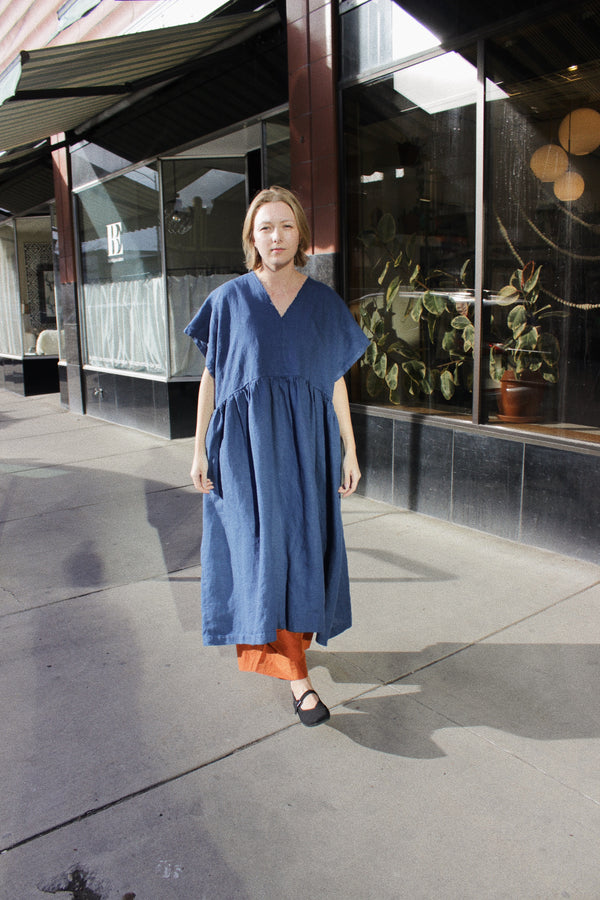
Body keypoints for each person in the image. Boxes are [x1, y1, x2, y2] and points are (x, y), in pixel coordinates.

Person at [184, 186, 369, 727]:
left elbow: (335, 380)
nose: (276, 236)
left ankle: (293, 649)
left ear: (301, 234)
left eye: (286, 226)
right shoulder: (228, 300)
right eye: (265, 227)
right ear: (251, 236)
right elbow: (212, 378)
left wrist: (350, 449)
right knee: (261, 553)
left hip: (308, 451)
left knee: (302, 549)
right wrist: (198, 449)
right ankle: (299, 681)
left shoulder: (323, 304)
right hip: (243, 455)